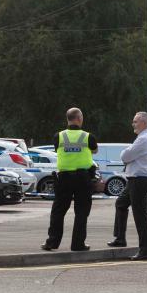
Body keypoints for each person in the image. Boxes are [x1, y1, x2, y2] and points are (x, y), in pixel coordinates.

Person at [42, 107, 98, 252]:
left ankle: (52, 242)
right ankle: (78, 244)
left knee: (58, 211)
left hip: (64, 178)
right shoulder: (88, 136)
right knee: (81, 212)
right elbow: (94, 150)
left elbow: (57, 150)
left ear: (68, 119)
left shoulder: (58, 136)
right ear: (79, 119)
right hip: (83, 178)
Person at [106, 111, 147, 261]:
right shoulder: (142, 138)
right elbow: (129, 156)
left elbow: (125, 156)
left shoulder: (144, 139)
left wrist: (125, 154)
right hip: (135, 179)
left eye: (136, 121)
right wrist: (127, 154)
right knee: (120, 203)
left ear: (145, 123)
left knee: (140, 215)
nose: (133, 124)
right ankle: (120, 238)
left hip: (139, 180)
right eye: (133, 121)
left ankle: (145, 251)